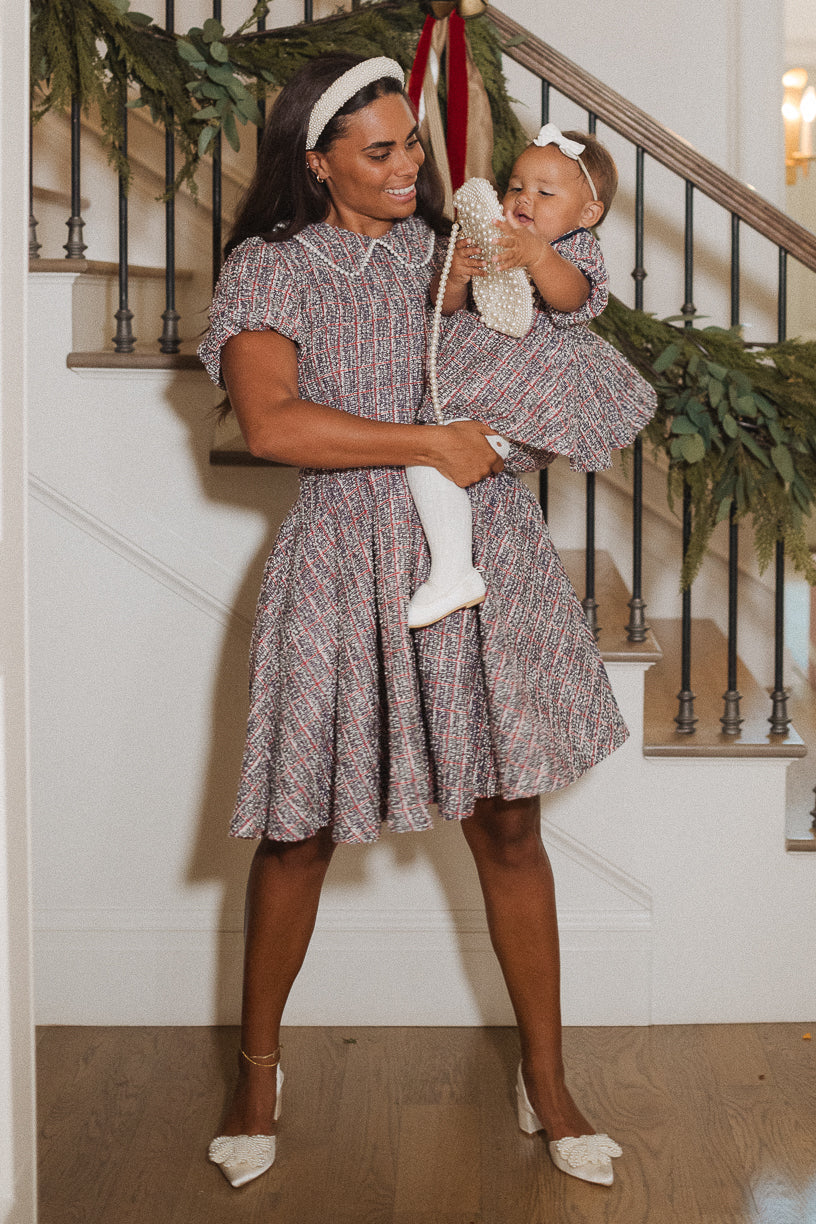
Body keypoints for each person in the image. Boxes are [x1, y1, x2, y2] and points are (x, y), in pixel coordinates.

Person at [199, 51, 625, 1191]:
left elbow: (569, 301)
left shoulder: (460, 246)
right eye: (379, 150)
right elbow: (275, 423)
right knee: (297, 833)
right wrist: (432, 442)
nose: (409, 166)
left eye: (413, 145)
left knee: (509, 826)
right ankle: (256, 1073)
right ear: (319, 158)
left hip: (480, 557)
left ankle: (548, 1080)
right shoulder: (272, 267)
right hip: (344, 558)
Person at [405, 126, 657, 628]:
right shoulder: (488, 237)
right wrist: (455, 276)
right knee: (431, 454)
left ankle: (453, 571)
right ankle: (456, 563)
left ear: (587, 215)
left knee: (430, 457)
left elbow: (575, 298)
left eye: (546, 192)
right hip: (473, 382)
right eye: (516, 186)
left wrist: (539, 256)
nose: (525, 199)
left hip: (528, 395)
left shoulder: (573, 250)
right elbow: (444, 308)